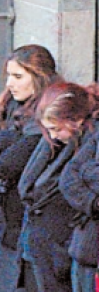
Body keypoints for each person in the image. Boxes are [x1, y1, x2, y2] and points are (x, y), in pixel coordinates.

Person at [0, 45, 59, 292]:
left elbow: (4, 164)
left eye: (18, 76)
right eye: (9, 76)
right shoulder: (12, 105)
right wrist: (14, 138)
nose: (10, 83)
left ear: (39, 78)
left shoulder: (46, 113)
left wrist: (8, 140)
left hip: (30, 225)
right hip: (8, 226)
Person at [18, 82, 98, 292]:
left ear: (76, 120)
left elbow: (73, 179)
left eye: (56, 129)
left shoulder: (90, 139)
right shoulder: (58, 144)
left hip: (70, 244)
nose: (52, 136)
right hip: (49, 246)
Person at [60, 95, 99, 292]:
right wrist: (93, 203)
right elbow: (68, 176)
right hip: (85, 248)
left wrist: (87, 170)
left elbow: (81, 169)